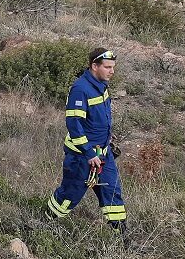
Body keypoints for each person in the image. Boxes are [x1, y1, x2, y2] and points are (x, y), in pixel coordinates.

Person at [46, 48, 127, 236]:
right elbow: (74, 125)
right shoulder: (80, 90)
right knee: (70, 194)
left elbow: (100, 118)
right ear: (94, 66)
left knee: (112, 191)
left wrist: (106, 141)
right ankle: (46, 223)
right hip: (81, 157)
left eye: (113, 67)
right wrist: (89, 153)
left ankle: (122, 235)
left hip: (103, 154)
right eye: (107, 67)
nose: (112, 71)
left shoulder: (101, 85)